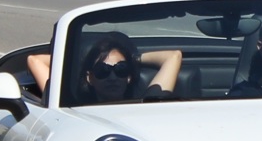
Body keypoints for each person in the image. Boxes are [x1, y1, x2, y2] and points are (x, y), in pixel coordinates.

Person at [26, 32, 181, 103]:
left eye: (121, 69)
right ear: (90, 77)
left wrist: (134, 60)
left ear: (129, 76)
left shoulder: (148, 102)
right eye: (102, 71)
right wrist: (85, 63)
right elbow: (35, 61)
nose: (112, 77)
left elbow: (173, 56)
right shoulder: (68, 104)